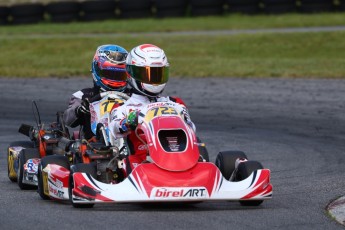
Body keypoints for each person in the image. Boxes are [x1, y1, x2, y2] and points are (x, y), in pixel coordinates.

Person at [109, 44, 195, 173]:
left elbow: (192, 130)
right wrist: (131, 120)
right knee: (128, 164)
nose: (154, 80)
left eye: (158, 74)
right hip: (142, 163)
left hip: (181, 159)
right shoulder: (124, 107)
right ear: (132, 73)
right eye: (148, 74)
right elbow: (115, 129)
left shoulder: (175, 103)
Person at [63, 44, 129, 140]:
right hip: (93, 146)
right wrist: (79, 110)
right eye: (109, 74)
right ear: (96, 70)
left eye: (120, 75)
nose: (114, 79)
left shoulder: (133, 96)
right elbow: (68, 120)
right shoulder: (83, 95)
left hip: (128, 141)